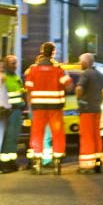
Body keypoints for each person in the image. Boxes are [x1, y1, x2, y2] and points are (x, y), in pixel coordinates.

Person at [24, 42, 72, 175]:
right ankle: (57, 158)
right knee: (57, 133)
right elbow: (69, 85)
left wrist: (30, 106)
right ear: (53, 53)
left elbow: (28, 90)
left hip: (38, 107)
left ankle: (37, 159)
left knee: (37, 133)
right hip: (55, 108)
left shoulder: (33, 71)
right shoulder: (58, 70)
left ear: (42, 52)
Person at [75, 52, 103, 174]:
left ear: (85, 62)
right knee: (96, 135)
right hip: (97, 109)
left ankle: (87, 165)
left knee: (86, 136)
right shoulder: (99, 74)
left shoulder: (85, 74)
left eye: (80, 61)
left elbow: (80, 88)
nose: (80, 64)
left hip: (86, 109)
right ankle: (98, 160)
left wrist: (79, 97)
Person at [0, 55, 26, 173]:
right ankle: (4, 164)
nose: (14, 65)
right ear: (6, 64)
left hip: (17, 111)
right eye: (12, 63)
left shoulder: (16, 77)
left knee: (13, 139)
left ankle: (11, 162)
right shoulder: (4, 77)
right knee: (8, 138)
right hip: (8, 111)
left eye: (15, 63)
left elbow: (21, 91)